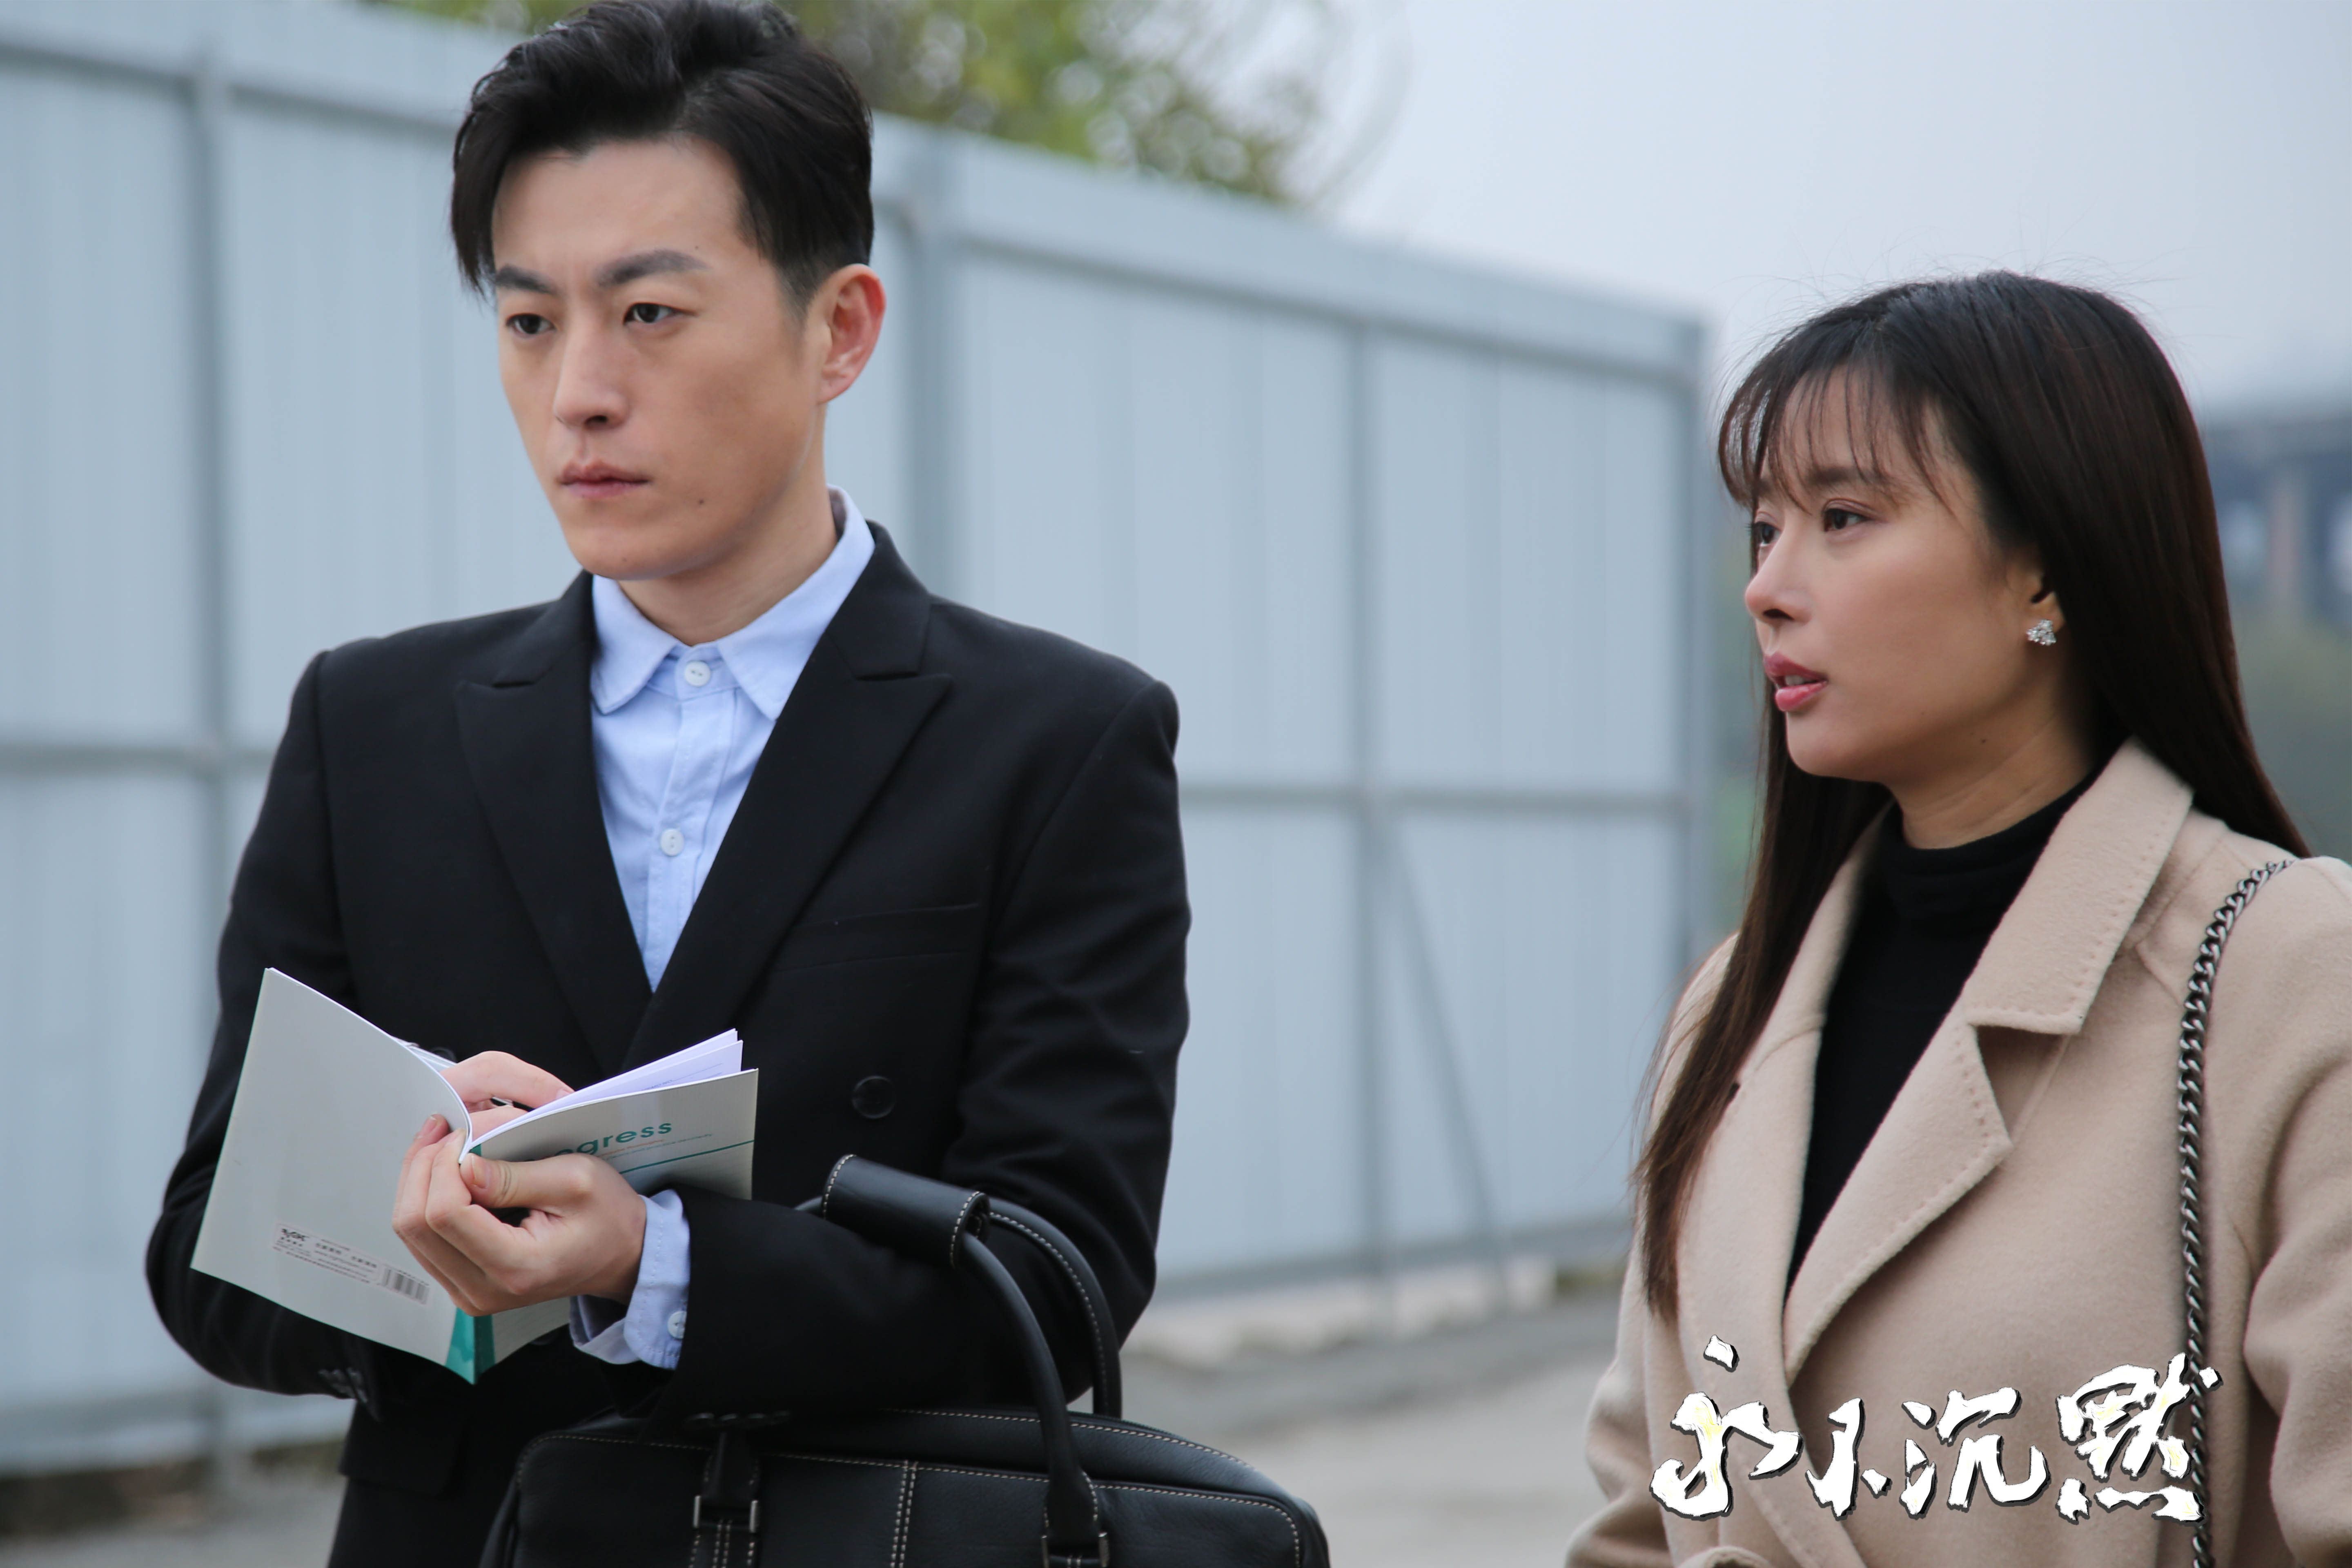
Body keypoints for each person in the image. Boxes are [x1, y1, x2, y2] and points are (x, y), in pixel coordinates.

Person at [145, 3, 1188, 1562]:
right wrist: (417, 1224)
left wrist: (654, 1264)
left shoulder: (1055, 740)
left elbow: (1063, 1270)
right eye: (528, 322)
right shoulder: (371, 727)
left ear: (839, 331)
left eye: (647, 313)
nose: (578, 390)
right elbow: (205, 1261)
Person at [1568, 273, 2352, 1566]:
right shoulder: (1734, 1009)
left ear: (2044, 564)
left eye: (1843, 517)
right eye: (1763, 529)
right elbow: (1641, 1518)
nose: (1768, 586)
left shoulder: (2288, 969)